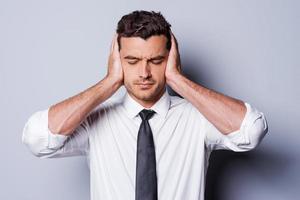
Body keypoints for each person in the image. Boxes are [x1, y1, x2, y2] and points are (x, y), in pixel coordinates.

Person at [22, 10, 268, 200]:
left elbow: (251, 131)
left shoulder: (198, 118)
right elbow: (37, 139)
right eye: (132, 60)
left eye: (156, 60)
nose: (144, 72)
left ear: (170, 59)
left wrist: (178, 80)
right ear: (117, 60)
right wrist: (109, 82)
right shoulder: (94, 120)